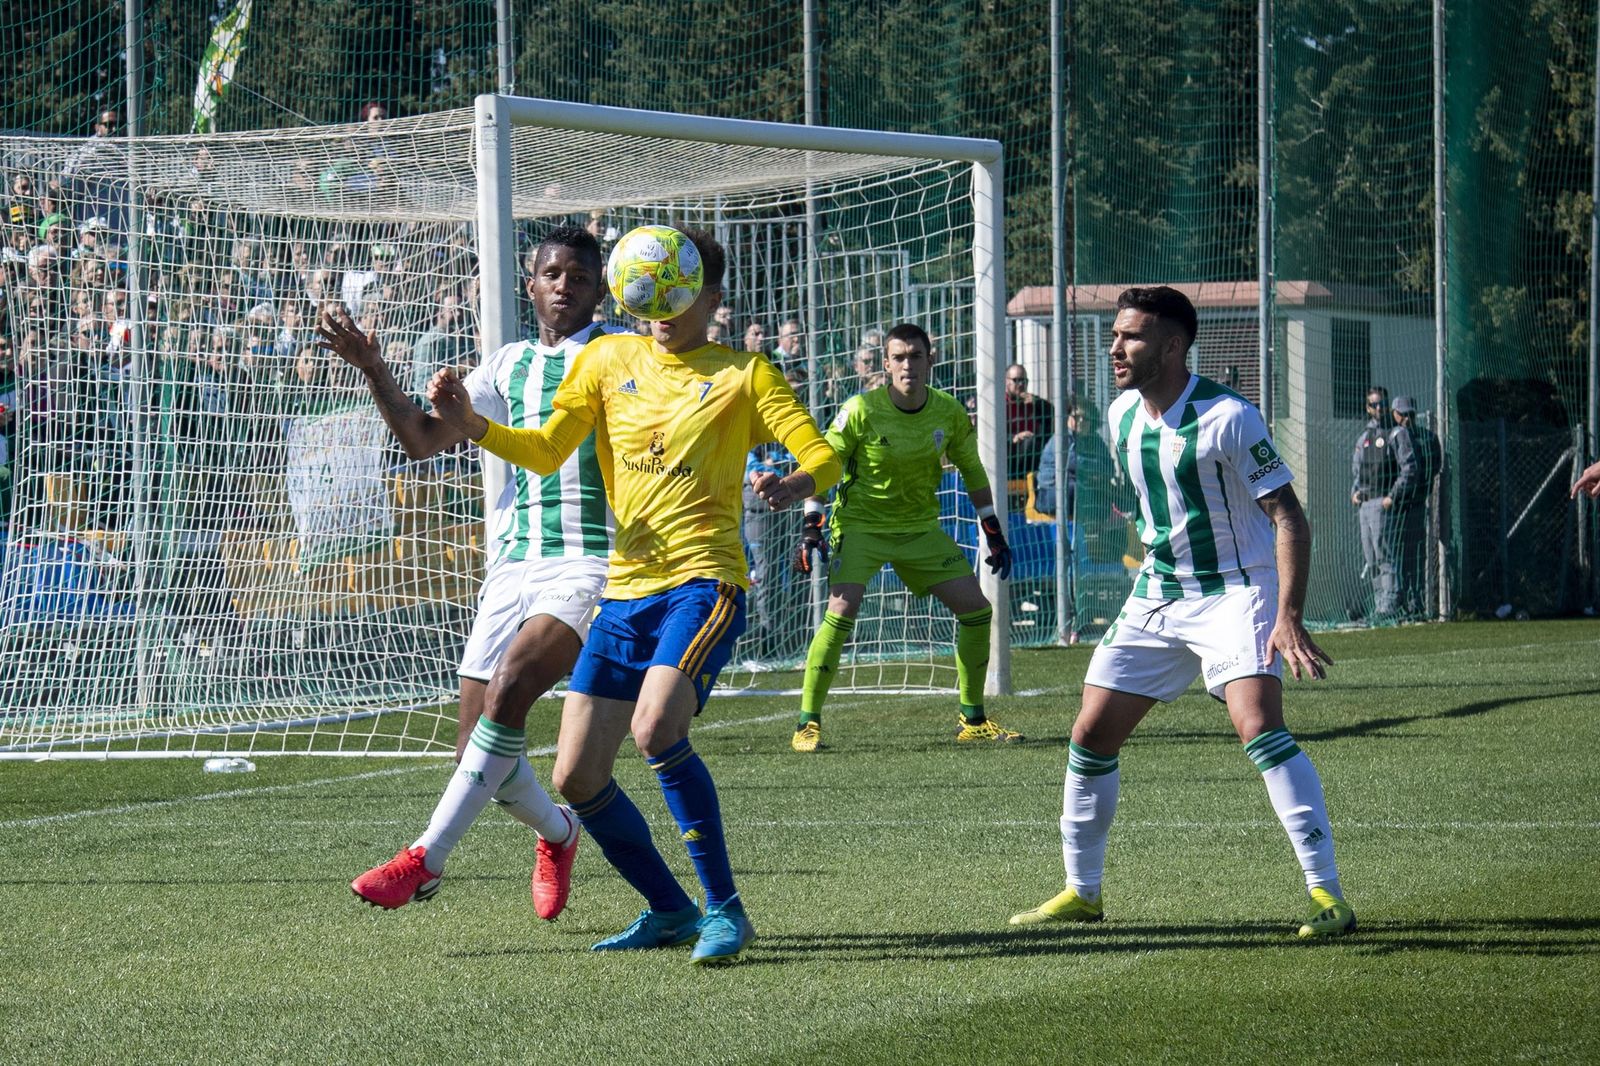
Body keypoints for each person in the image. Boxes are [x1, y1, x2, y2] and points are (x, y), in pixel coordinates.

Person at [427, 227, 839, 966]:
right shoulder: (607, 357)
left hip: (704, 583)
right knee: (575, 775)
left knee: (655, 731)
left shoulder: (746, 375)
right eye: (647, 285)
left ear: (710, 299)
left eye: (677, 288)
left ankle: (727, 912)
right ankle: (669, 908)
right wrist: (475, 427)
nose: (658, 302)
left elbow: (823, 454)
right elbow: (549, 450)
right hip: (625, 590)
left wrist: (793, 485)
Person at [1009, 286, 1354, 940]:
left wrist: (1287, 613)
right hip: (1160, 592)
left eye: (1131, 337)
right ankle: (1082, 894)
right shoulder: (1118, 418)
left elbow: (1289, 518)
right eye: (1115, 335)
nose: (1115, 347)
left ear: (1172, 346)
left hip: (1236, 590)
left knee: (1257, 725)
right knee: (1090, 735)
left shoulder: (1230, 417)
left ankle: (1327, 895)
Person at [325, 226, 620, 922]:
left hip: (588, 561)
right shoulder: (507, 366)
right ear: (531, 284)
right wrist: (375, 369)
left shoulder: (614, 358)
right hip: (511, 562)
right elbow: (422, 440)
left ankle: (423, 859)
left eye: (579, 276)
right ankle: (561, 835)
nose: (564, 285)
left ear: (599, 287)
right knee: (475, 751)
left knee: (513, 683)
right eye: (552, 273)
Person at [788, 322, 1018, 753]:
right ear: (886, 364)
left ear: (931, 360)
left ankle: (973, 719)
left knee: (976, 609)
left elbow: (972, 471)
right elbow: (824, 464)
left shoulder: (948, 412)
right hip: (861, 526)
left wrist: (992, 529)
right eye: (898, 357)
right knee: (842, 607)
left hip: (920, 530)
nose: (907, 364)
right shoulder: (860, 409)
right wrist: (811, 524)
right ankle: (807, 723)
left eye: (915, 356)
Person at [1385, 395, 1442, 619]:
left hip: (1404, 505)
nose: (1406, 419)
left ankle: (1408, 603)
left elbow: (1414, 470)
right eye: (1404, 414)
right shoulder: (1428, 437)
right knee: (1411, 555)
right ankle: (1413, 602)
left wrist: (1393, 495)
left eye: (1409, 414)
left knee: (1402, 555)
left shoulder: (1403, 436)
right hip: (1416, 502)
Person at [1351, 385, 1398, 619]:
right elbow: (1357, 471)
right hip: (1365, 505)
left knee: (1383, 553)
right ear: (1368, 408)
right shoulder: (1365, 437)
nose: (1378, 408)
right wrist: (1355, 492)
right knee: (1370, 556)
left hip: (1382, 501)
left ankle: (1389, 605)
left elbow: (1404, 468)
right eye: (1374, 404)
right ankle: (1380, 604)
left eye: (1381, 403)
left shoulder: (1395, 433)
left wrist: (1392, 495)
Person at [1005, 362, 1053, 479]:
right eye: (1016, 380)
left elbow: (1054, 415)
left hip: (1034, 451)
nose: (1021, 384)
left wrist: (1038, 402)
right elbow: (992, 434)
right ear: (1006, 381)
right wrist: (1014, 437)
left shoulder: (1032, 402)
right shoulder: (1002, 404)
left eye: (1024, 381)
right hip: (1011, 457)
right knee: (1029, 442)